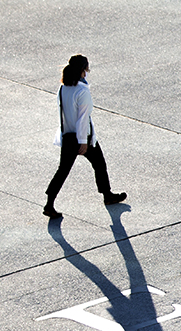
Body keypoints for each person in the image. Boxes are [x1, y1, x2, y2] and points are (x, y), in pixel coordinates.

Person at [43, 55, 126, 218]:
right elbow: (83, 119)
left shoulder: (63, 88)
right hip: (82, 137)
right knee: (100, 164)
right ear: (83, 70)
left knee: (62, 171)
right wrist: (83, 142)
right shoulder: (82, 91)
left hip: (67, 136)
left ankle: (49, 203)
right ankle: (107, 196)